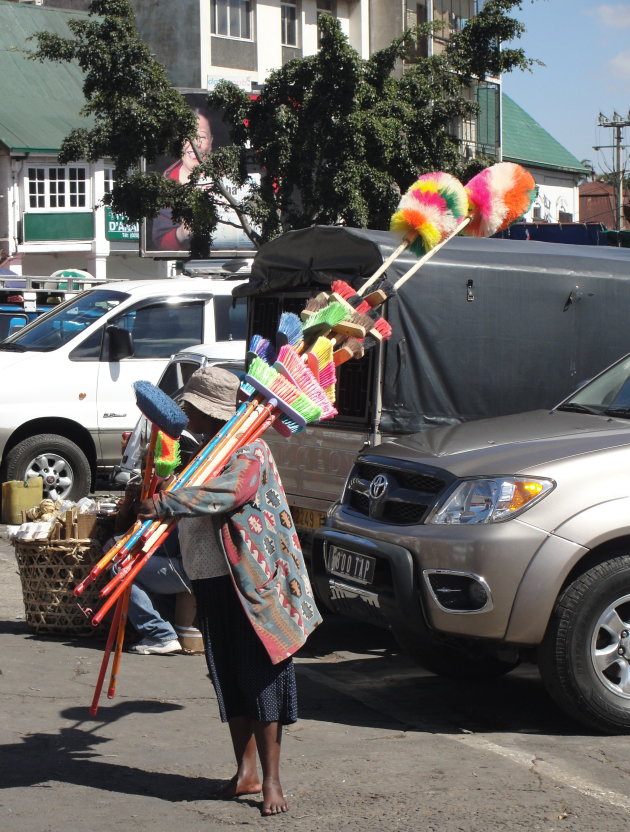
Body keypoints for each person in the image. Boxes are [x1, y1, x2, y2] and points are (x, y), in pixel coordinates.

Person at [137, 366, 322, 816]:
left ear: (209, 412)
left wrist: (166, 503)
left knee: (261, 677)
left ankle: (272, 782)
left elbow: (230, 494)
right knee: (228, 675)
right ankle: (246, 772)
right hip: (210, 576)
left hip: (252, 583)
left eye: (193, 410)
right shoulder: (202, 450)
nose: (187, 416)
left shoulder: (250, 450)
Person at [112, 481, 191, 655]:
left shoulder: (175, 490)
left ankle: (161, 635)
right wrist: (128, 502)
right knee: (116, 554)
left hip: (186, 569)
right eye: (142, 467)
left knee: (120, 568)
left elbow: (163, 546)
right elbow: (121, 527)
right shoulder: (148, 490)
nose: (144, 473)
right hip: (175, 564)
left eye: (150, 466)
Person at [151, 107, 213, 251]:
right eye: (188, 137)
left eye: (202, 137)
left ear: (211, 142)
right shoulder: (166, 185)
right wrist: (183, 232)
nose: (195, 144)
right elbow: (160, 242)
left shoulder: (227, 178)